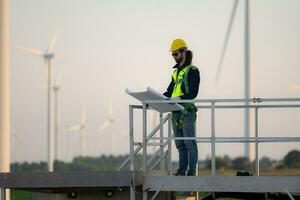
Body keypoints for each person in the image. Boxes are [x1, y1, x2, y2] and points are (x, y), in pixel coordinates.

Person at [163, 38, 200, 177]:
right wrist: (155, 100)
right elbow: (168, 91)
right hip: (176, 111)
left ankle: (191, 173)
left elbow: (193, 92)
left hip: (186, 111)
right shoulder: (175, 72)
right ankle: (181, 171)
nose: (174, 57)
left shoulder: (193, 70)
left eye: (176, 54)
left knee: (189, 143)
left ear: (184, 53)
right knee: (180, 144)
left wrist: (179, 98)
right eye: (172, 54)